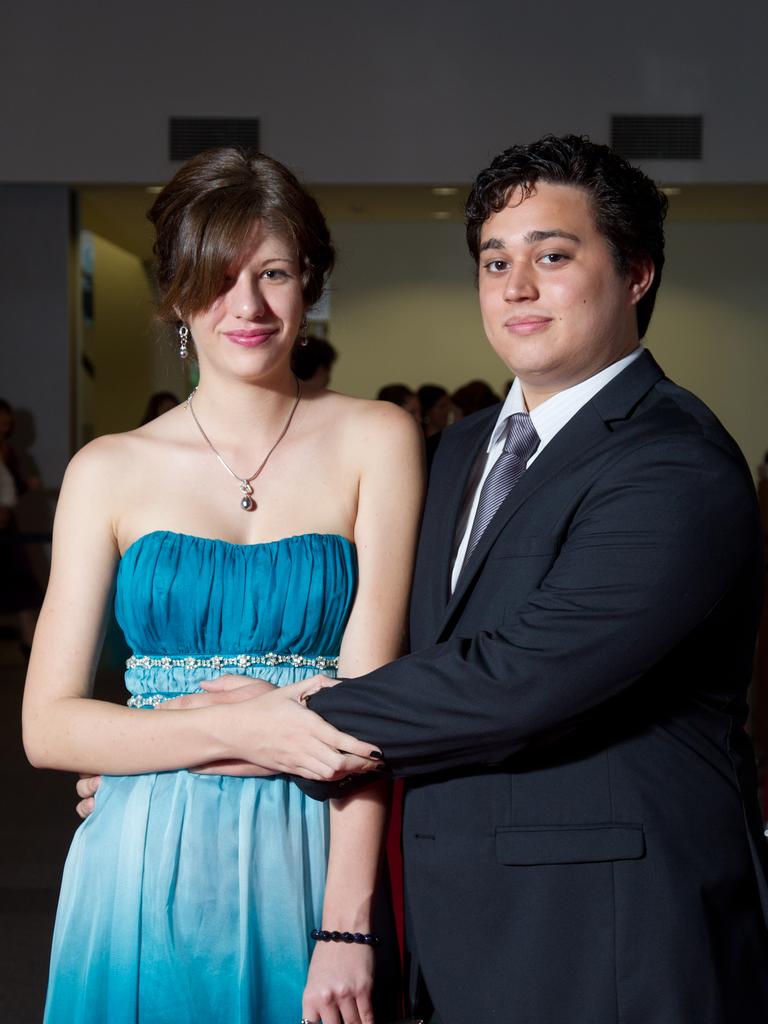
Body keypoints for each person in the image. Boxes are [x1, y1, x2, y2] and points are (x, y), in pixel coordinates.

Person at [176, 134, 768, 1021]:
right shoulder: (458, 449)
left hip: (611, 935)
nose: (516, 286)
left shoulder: (674, 464)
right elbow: (400, 652)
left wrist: (242, 739)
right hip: (455, 928)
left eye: (552, 256)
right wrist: (178, 763)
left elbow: (515, 683)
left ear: (637, 272)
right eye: (495, 261)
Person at [22, 147, 423, 1023]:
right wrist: (255, 724)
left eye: (274, 272)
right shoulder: (108, 469)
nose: (246, 305)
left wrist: (347, 928)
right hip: (138, 852)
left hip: (311, 843)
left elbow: (374, 707)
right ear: (174, 292)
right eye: (219, 275)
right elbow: (47, 727)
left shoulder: (377, 439)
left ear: (309, 283)